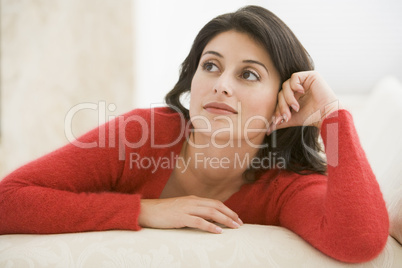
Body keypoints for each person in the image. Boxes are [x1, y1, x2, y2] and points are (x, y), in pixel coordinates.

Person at [0, 5, 388, 263]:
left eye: (248, 74)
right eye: (211, 66)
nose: (220, 85)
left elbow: (360, 240)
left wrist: (330, 116)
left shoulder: (283, 185)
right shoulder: (145, 133)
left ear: (283, 97)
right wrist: (144, 211)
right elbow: (8, 200)